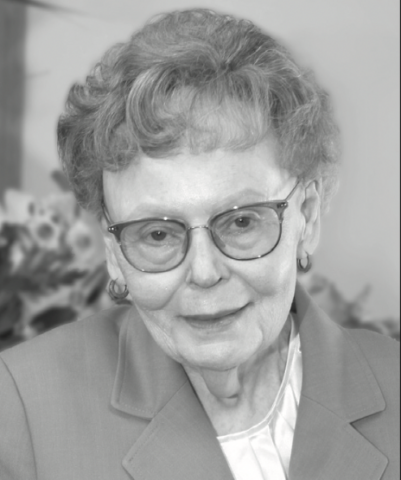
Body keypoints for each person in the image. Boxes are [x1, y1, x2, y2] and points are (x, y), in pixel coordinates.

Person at [0, 8, 399, 480]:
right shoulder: (21, 409)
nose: (205, 272)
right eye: (158, 234)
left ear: (306, 217)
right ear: (113, 253)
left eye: (241, 221)